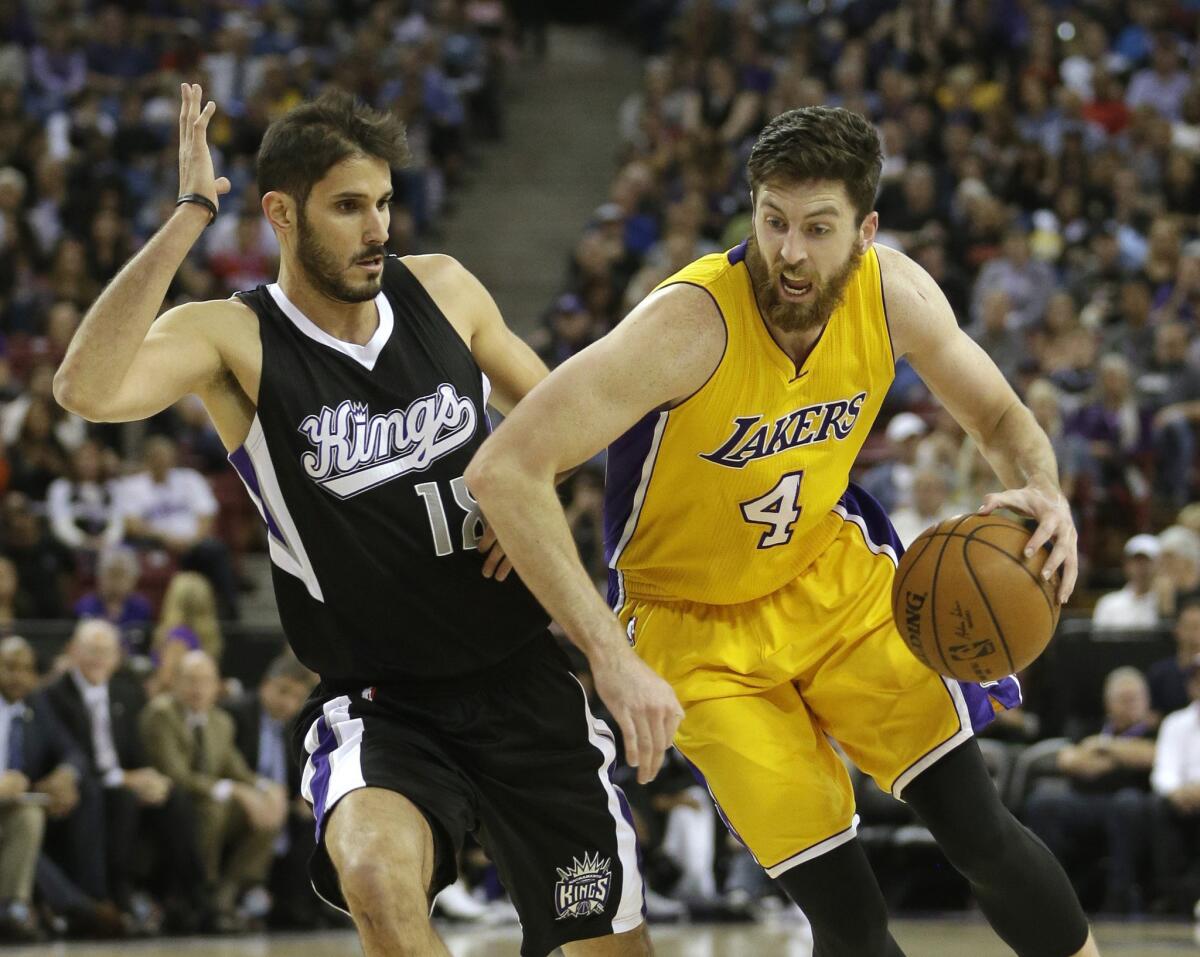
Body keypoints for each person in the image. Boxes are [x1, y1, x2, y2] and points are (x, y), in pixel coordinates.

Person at [468, 107, 1098, 956]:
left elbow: (995, 412)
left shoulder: (894, 292)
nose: (789, 251)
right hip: (691, 630)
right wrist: (609, 658)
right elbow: (505, 468)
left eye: (817, 228)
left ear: (865, 230)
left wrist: (1042, 488)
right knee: (848, 912)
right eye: (772, 221)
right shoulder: (686, 325)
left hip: (829, 581)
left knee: (978, 827)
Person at [53, 85, 656, 957]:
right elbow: (85, 389)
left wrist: (530, 494)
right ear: (281, 215)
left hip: (524, 679)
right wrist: (190, 214)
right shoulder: (236, 339)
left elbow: (568, 416)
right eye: (347, 207)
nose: (377, 227)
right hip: (382, 702)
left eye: (382, 203)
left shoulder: (444, 288)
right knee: (375, 876)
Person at [139, 650, 283, 931]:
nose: (198, 688)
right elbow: (176, 775)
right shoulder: (161, 714)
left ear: (217, 685)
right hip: (175, 806)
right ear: (175, 682)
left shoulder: (220, 720)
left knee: (268, 811)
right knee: (215, 809)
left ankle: (227, 895)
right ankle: (202, 892)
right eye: (190, 680)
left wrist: (267, 788)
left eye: (205, 681)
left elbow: (236, 769)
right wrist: (234, 790)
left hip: (212, 803)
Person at [1023, 667, 1157, 914]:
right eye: (1123, 699)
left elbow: (1151, 756)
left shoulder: (1156, 730)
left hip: (1129, 803)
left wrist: (1103, 747)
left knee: (1128, 804)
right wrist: (1123, 756)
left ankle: (1120, 896)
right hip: (1084, 800)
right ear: (1108, 703)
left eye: (1135, 699)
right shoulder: (1087, 727)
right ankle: (1052, 894)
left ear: (1147, 701)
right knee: (1043, 802)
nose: (1130, 705)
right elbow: (1070, 761)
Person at [223, 652, 319, 928]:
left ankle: (301, 908)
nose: (287, 702)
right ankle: (235, 896)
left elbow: (299, 774)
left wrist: (305, 796)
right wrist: (261, 791)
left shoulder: (299, 726)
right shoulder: (236, 713)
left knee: (316, 819)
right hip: (243, 796)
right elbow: (226, 766)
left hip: (281, 802)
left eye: (296, 696)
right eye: (282, 691)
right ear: (266, 684)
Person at [1092, 534, 1162, 632]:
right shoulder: (1108, 604)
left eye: (1147, 561)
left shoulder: (1164, 603)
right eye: (1137, 561)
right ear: (1126, 565)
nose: (1142, 568)